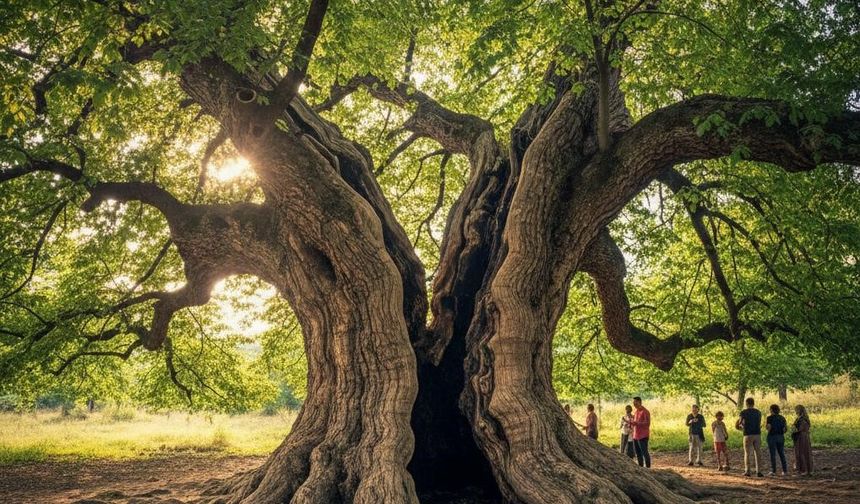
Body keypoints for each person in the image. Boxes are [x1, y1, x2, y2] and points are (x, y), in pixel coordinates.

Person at [736, 397, 763, 477]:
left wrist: (742, 427)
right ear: (753, 403)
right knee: (758, 453)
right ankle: (759, 471)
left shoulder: (743, 412)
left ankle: (747, 471)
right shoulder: (758, 412)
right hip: (757, 434)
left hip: (747, 434)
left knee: (747, 453)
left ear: (746, 403)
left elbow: (740, 423)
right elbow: (759, 422)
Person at [765, 404, 788, 476]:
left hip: (772, 436)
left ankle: (773, 471)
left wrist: (767, 428)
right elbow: (785, 429)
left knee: (773, 454)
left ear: (771, 410)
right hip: (781, 437)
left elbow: (769, 427)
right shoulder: (782, 418)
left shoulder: (769, 418)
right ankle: (785, 471)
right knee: (781, 453)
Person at [629, 396, 651, 468]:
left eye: (635, 402)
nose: (634, 404)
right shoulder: (636, 412)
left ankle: (648, 469)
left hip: (643, 436)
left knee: (645, 453)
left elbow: (647, 423)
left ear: (640, 402)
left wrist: (637, 423)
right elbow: (634, 423)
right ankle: (640, 467)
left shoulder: (645, 412)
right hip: (635, 435)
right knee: (638, 453)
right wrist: (630, 423)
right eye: (633, 402)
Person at [792, 404, 813, 476]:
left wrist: (794, 430)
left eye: (796, 410)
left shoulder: (801, 419)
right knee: (805, 452)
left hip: (801, 436)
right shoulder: (805, 418)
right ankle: (807, 470)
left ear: (799, 410)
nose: (795, 411)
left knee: (801, 453)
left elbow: (800, 428)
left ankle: (803, 470)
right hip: (805, 436)